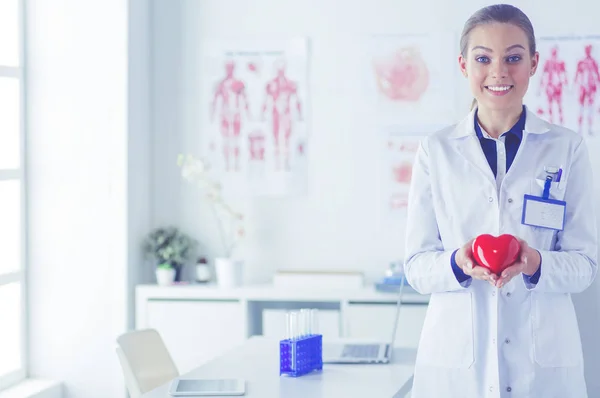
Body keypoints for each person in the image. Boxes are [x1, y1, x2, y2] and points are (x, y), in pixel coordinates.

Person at [404, 4, 597, 398]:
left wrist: (536, 262)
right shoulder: (436, 151)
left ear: (534, 63)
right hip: (456, 370)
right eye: (483, 58)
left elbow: (585, 266)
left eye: (513, 57)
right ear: (463, 65)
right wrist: (457, 262)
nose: (499, 72)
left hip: (543, 372)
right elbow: (416, 266)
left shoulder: (567, 149)